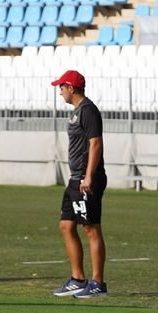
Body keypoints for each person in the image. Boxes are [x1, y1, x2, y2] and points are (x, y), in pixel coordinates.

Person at [50, 69, 108, 300]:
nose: (60, 92)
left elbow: (95, 144)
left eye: (61, 87)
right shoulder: (77, 112)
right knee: (66, 226)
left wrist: (89, 176)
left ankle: (97, 283)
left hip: (87, 180)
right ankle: (77, 279)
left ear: (71, 88)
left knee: (91, 228)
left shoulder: (88, 110)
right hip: (75, 179)